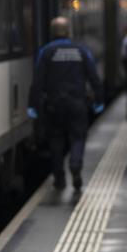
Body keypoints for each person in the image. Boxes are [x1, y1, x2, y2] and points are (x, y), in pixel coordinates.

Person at [29, 17, 104, 191]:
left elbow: (38, 82)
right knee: (78, 137)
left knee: (56, 141)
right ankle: (75, 165)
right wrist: (99, 100)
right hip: (77, 103)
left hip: (54, 105)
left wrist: (33, 105)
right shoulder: (81, 51)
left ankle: (59, 179)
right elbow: (94, 77)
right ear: (69, 31)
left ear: (52, 32)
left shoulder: (46, 52)